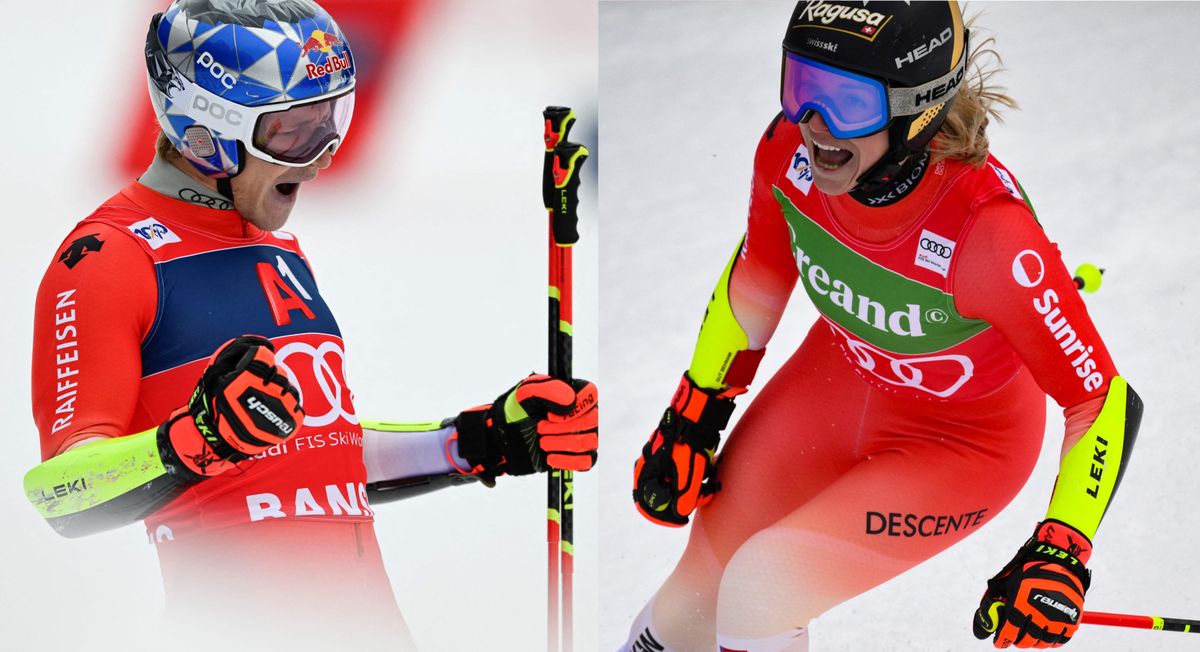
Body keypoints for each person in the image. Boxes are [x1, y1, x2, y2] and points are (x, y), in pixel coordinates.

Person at [23, 1, 598, 649]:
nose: (323, 156)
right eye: (296, 132)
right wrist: (194, 439)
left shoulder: (276, 248)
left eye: (335, 119)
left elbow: (317, 462)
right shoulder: (108, 260)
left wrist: (480, 440)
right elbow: (60, 495)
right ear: (202, 130)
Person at [625, 2, 1141, 650]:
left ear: (915, 105)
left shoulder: (990, 237)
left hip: (963, 442)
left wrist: (1062, 547)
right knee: (696, 590)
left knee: (762, 588)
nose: (814, 124)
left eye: (847, 101)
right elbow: (758, 275)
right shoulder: (788, 154)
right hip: (842, 375)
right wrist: (694, 411)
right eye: (801, 87)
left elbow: (1100, 397)